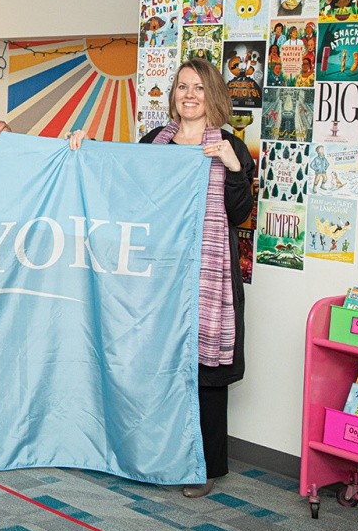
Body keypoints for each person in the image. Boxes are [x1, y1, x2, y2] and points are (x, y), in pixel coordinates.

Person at [69, 58, 256, 498]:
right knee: (155, 361)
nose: (189, 95)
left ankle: (204, 466)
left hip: (209, 275)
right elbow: (125, 185)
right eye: (181, 88)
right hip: (160, 273)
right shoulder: (156, 141)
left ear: (213, 95)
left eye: (198, 88)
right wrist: (87, 147)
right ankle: (151, 452)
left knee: (204, 370)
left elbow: (240, 213)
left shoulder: (230, 146)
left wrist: (232, 168)